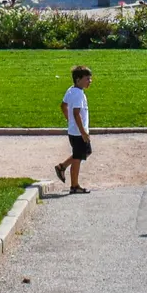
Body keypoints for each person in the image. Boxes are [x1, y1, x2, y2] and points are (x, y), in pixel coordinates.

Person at [54, 64, 94, 195]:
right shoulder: (78, 94)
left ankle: (62, 166)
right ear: (78, 79)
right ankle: (74, 186)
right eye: (87, 79)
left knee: (86, 152)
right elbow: (76, 113)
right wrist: (83, 132)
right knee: (78, 158)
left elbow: (63, 106)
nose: (90, 81)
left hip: (74, 130)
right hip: (78, 133)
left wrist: (69, 119)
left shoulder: (71, 90)